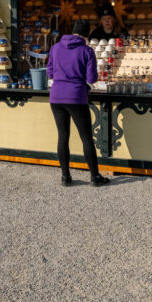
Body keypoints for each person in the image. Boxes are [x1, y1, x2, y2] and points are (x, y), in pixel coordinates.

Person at [46, 20, 110, 187]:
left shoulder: (56, 47)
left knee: (63, 136)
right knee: (86, 137)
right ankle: (95, 177)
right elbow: (91, 78)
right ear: (87, 35)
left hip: (56, 96)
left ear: (72, 31)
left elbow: (50, 72)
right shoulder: (87, 50)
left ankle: (65, 177)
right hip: (76, 97)